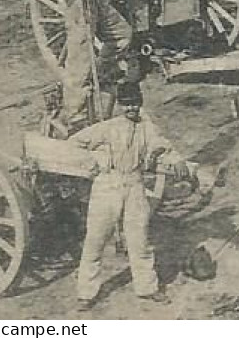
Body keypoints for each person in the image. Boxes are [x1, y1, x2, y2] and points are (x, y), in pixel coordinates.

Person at [72, 82, 207, 307]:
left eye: (134, 104)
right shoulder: (106, 128)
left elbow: (162, 146)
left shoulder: (146, 127)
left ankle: (147, 288)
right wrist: (95, 161)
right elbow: (75, 143)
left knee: (140, 240)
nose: (131, 109)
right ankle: (86, 294)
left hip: (134, 184)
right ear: (120, 106)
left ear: (140, 104)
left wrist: (177, 160)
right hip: (107, 185)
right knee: (96, 240)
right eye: (126, 105)